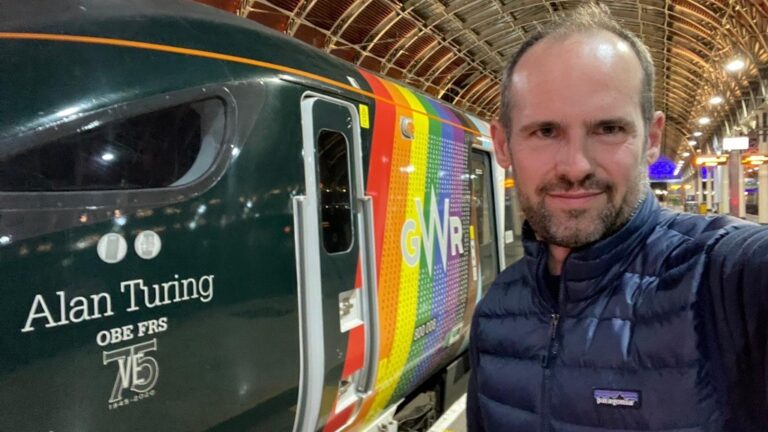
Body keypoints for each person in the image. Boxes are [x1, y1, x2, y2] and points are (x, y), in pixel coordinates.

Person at [467, 3, 768, 431]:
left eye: (608, 129)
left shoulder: (720, 281)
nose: (575, 166)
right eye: (545, 131)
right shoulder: (495, 314)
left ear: (653, 139)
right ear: (502, 144)